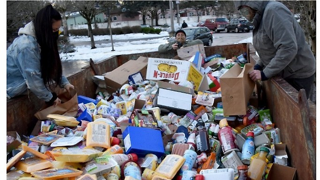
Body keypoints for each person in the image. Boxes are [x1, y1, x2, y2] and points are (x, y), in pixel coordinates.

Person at [234, 1, 315, 98]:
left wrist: (265, 73)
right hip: (284, 70)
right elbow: (269, 48)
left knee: (299, 111)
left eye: (244, 9)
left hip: (297, 74)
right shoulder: (260, 16)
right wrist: (259, 65)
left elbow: (288, 48)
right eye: (241, 11)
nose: (245, 13)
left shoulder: (274, 11)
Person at [7, 4, 74, 106]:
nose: (55, 34)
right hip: (12, 89)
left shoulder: (41, 40)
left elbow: (50, 65)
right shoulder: (26, 47)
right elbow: (33, 79)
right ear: (44, 28)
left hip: (24, 88)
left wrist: (65, 83)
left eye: (57, 30)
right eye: (53, 30)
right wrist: (51, 98)